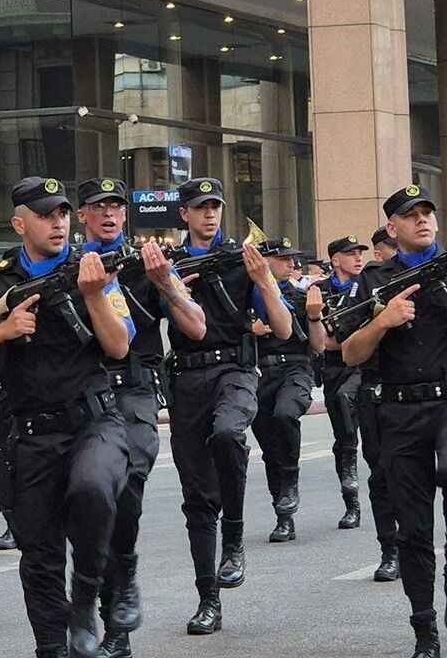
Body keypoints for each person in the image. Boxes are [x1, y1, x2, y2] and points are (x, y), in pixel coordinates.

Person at [0, 176, 135, 658]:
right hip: (26, 433)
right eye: (45, 215)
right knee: (40, 556)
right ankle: (53, 646)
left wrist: (93, 295)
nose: (58, 223)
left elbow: (118, 346)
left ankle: (88, 600)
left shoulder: (91, 268)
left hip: (93, 420)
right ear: (19, 222)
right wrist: (3, 330)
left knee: (94, 490)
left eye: (63, 214)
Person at [339, 184, 447, 658]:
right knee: (411, 528)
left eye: (428, 213)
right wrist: (383, 321)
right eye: (411, 216)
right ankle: (424, 631)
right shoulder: (373, 279)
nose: (423, 221)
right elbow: (350, 351)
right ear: (393, 228)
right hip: (396, 408)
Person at [73, 176, 205, 658]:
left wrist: (164, 282)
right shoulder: (71, 265)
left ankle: (121, 588)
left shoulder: (146, 261)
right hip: (80, 392)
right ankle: (95, 609)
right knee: (90, 502)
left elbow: (196, 326)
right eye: (97, 206)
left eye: (116, 206)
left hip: (133, 388)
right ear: (82, 215)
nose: (108, 214)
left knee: (125, 488)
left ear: (126, 215)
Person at [165, 177, 293, 636]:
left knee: (228, 433)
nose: (210, 214)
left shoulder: (244, 259)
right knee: (197, 499)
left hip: (235, 370)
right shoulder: (169, 263)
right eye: (200, 207)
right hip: (184, 378)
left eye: (215, 206)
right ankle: (208, 601)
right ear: (184, 214)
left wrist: (265, 281)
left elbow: (281, 328)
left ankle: (234, 538)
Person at [253, 237, 325, 544]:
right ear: (265, 261)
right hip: (258, 372)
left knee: (285, 414)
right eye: (283, 259)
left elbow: (319, 346)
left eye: (293, 259)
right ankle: (284, 517)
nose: (292, 264)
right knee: (270, 448)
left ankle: (292, 478)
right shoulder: (246, 296)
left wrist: (313, 315)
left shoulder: (301, 296)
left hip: (295, 367)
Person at [310, 235, 372, 533]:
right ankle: (352, 504)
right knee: (344, 439)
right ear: (335, 260)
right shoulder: (318, 292)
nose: (358, 258)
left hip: (366, 366)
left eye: (360, 253)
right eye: (350, 254)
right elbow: (323, 344)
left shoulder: (369, 286)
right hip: (335, 370)